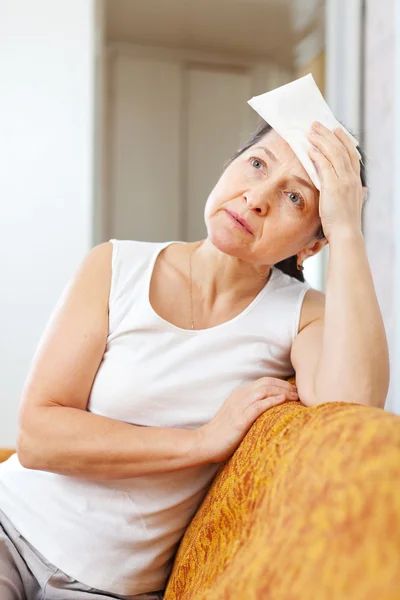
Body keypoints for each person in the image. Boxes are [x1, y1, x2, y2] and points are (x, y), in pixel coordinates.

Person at [0, 118, 389, 599]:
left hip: (107, 588)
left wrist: (348, 230)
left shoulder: (302, 316)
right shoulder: (115, 265)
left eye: (296, 198)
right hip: (8, 525)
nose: (256, 197)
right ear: (228, 167)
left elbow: (350, 404)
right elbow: (38, 437)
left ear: (313, 242)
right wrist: (201, 442)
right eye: (256, 164)